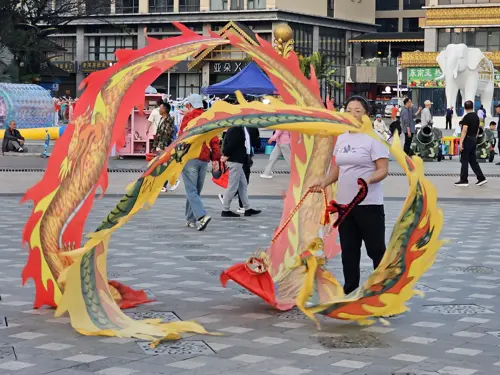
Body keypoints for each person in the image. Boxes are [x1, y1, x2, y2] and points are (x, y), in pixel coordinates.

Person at [310, 96, 389, 295]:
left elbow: (383, 169)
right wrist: (323, 183)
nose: (353, 114)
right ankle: (350, 290)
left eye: (358, 111)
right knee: (349, 250)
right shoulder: (342, 138)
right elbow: (337, 169)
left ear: (366, 115)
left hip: (369, 204)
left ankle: (383, 291)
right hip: (345, 206)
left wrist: (369, 180)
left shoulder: (373, 138)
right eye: (349, 110)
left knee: (376, 250)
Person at [179, 94, 220, 231]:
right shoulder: (208, 117)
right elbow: (214, 140)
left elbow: (182, 137)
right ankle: (190, 220)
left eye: (186, 106)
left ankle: (202, 217)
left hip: (190, 158)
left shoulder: (188, 117)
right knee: (195, 191)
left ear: (190, 105)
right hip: (204, 159)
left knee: (191, 191)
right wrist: (215, 159)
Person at [221, 126, 262, 218]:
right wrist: (226, 155)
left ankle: (247, 208)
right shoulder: (236, 128)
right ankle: (225, 209)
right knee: (233, 186)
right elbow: (231, 144)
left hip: (239, 159)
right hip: (235, 160)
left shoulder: (242, 128)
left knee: (243, 185)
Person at [455, 100, 487, 187]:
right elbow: (477, 129)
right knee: (473, 161)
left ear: (464, 108)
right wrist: (475, 138)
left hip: (467, 139)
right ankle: (481, 178)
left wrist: (461, 143)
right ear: (472, 107)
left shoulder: (466, 118)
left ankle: (464, 180)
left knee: (464, 160)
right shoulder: (476, 117)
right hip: (473, 139)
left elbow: (464, 130)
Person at [152, 103, 177, 193]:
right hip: (160, 146)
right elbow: (159, 134)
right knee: (160, 165)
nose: (159, 109)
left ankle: (165, 184)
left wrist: (162, 147)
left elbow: (167, 134)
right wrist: (155, 146)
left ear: (165, 109)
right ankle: (164, 183)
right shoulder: (162, 119)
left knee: (163, 165)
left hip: (165, 147)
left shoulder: (169, 119)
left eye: (161, 108)